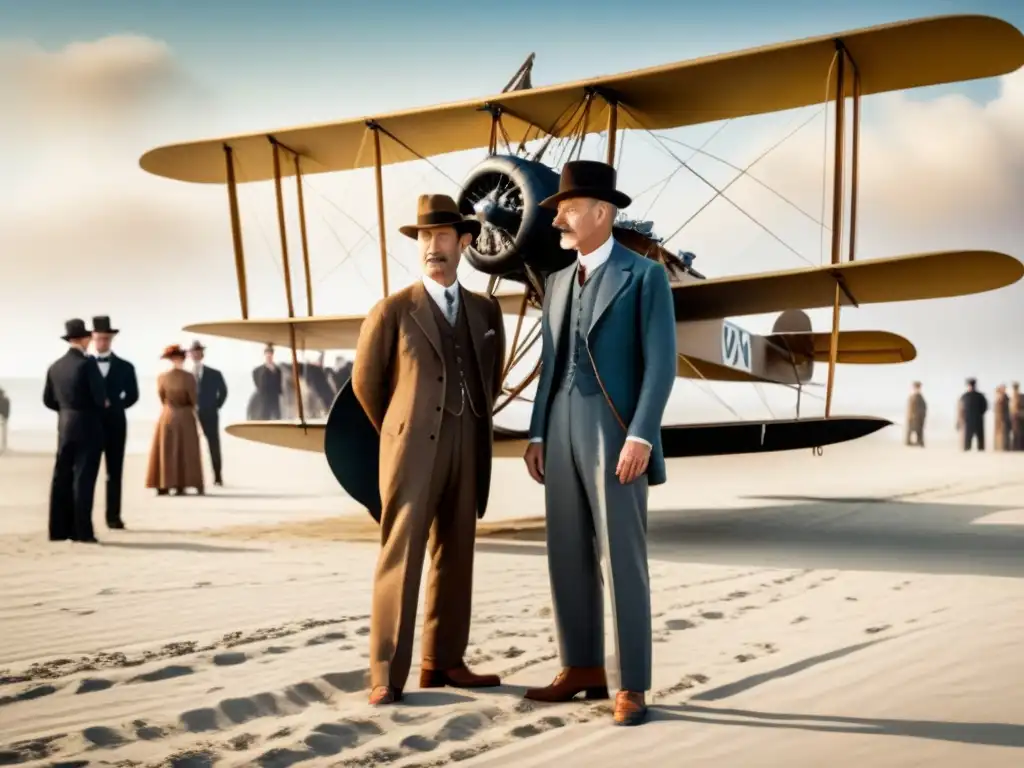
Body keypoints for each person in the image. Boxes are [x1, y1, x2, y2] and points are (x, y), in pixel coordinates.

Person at [521, 160, 677, 727]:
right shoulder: (557, 282)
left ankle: (631, 682)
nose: (557, 216)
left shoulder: (645, 276)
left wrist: (641, 433)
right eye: (558, 208)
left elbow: (661, 365)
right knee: (565, 549)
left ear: (602, 213)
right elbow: (550, 364)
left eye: (567, 207)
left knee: (622, 557)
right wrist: (537, 431)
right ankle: (581, 667)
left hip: (615, 429)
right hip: (558, 425)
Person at [352, 193, 507, 706]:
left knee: (457, 552)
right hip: (411, 451)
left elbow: (492, 374)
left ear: (464, 241)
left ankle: (444, 663)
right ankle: (384, 675)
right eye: (423, 237)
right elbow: (365, 383)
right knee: (401, 555)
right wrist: (400, 429)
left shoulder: (486, 310)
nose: (431, 247)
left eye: (441, 236)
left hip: (469, 443)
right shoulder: (392, 310)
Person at [43, 319, 106, 542]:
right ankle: (81, 531)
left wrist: (66, 411)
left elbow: (48, 400)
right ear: (84, 338)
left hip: (65, 425)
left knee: (62, 476)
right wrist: (103, 404)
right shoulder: (87, 365)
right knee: (83, 478)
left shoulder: (55, 366)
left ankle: (58, 529)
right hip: (87, 425)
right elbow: (99, 398)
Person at [91, 316, 139, 529]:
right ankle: (83, 519)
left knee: (114, 473)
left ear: (111, 339)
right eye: (100, 339)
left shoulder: (125, 367)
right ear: (93, 338)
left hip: (116, 424)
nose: (103, 343)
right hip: (89, 424)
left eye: (107, 339)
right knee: (87, 472)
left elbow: (133, 395)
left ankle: (113, 517)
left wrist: (117, 405)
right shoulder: (84, 364)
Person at [145, 345, 205, 495]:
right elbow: (193, 399)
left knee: (166, 449)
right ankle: (182, 483)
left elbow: (161, 397)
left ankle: (164, 483)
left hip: (167, 415)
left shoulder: (162, 377)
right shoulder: (189, 377)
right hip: (184, 415)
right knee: (186, 451)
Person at [188, 340, 228, 486]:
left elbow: (223, 392)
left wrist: (215, 406)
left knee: (214, 445)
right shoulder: (186, 374)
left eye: (198, 352)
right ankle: (192, 478)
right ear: (190, 355)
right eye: (193, 352)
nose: (196, 354)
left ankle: (217, 476)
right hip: (190, 414)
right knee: (190, 446)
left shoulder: (214, 373)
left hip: (210, 414)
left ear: (202, 354)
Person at [251, 344, 283, 420]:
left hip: (274, 396)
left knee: (277, 416)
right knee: (265, 416)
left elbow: (279, 382)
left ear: (272, 356)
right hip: (264, 397)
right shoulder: (259, 370)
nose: (269, 357)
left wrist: (279, 392)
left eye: (270, 355)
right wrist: (259, 389)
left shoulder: (277, 370)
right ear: (265, 355)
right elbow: (256, 379)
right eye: (267, 355)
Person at [957, 378, 987, 451]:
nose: (971, 387)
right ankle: (967, 451)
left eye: (972, 385)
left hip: (978, 420)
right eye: (970, 385)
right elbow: (960, 409)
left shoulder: (980, 396)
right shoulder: (964, 396)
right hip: (968, 421)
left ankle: (981, 451)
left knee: (980, 440)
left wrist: (979, 414)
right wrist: (960, 420)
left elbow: (984, 406)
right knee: (967, 440)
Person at [905, 381, 926, 447]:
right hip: (915, 416)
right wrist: (910, 415)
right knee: (913, 428)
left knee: (918, 429)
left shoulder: (918, 396)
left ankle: (919, 441)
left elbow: (923, 407)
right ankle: (910, 441)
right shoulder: (914, 396)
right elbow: (910, 407)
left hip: (919, 416)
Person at [994, 384, 1010, 451]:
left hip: (1004, 418)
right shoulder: (998, 398)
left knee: (1004, 433)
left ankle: (1005, 447)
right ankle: (998, 447)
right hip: (998, 419)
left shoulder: (1006, 397)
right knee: (999, 433)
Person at [1011, 382, 1024, 451]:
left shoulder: (1021, 396)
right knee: (1016, 433)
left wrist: (1018, 413)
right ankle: (1016, 448)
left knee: (1020, 433)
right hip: (1015, 418)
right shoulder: (1013, 396)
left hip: (1019, 418)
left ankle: (1019, 448)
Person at [0, 384, 9, 455]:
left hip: (3, 418)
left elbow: (6, 410)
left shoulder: (4, 400)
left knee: (3, 434)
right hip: (4, 418)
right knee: (3, 434)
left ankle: (4, 448)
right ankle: (4, 447)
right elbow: (7, 410)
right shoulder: (6, 400)